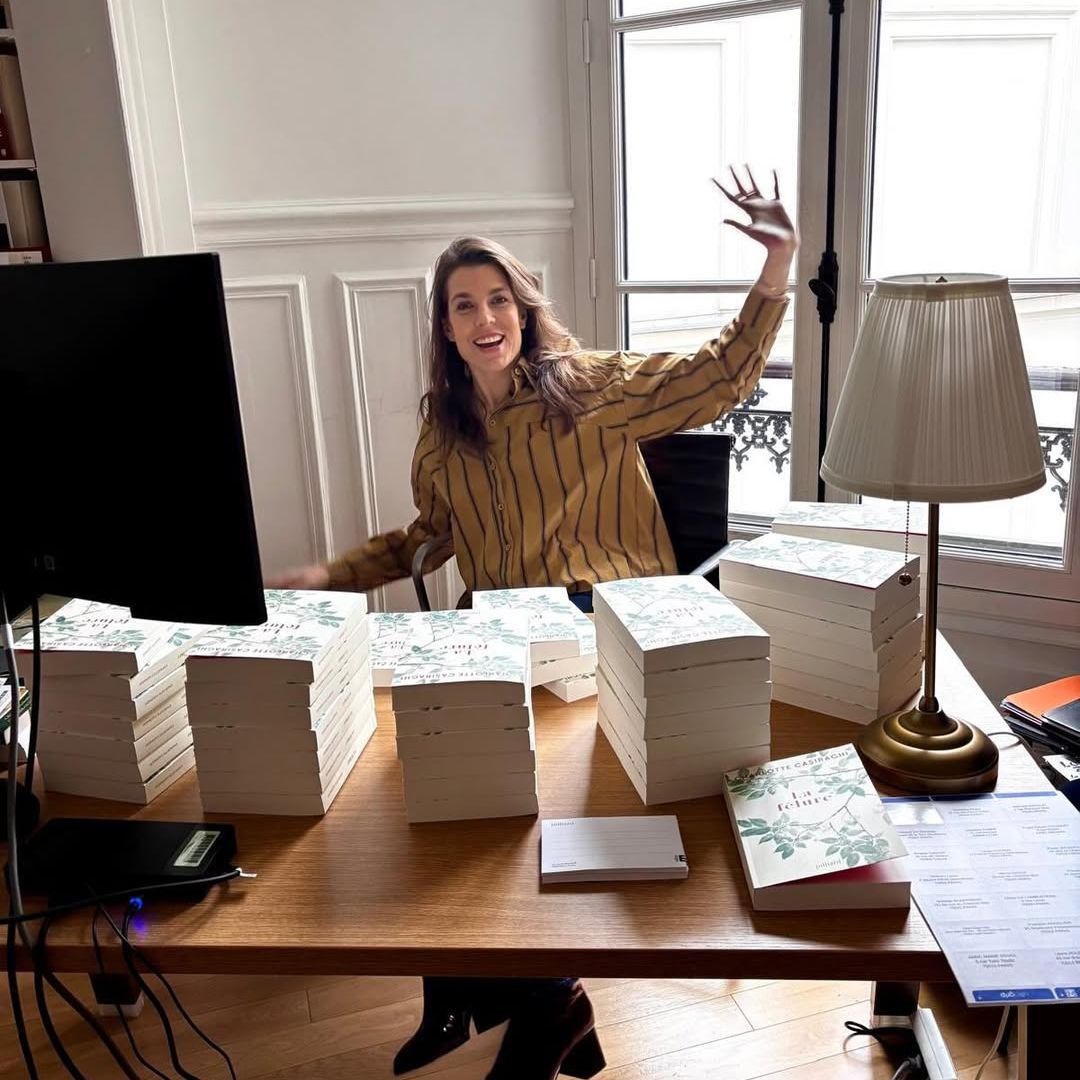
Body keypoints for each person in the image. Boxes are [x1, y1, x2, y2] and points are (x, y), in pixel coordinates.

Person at [271, 166, 797, 1080]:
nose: (486, 319)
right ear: (445, 325)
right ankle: (471, 996)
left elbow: (720, 375)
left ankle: (547, 1001)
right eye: (465, 304)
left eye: (500, 299)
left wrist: (778, 265)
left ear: (523, 308)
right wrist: (328, 575)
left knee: (516, 800)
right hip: (499, 636)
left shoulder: (589, 385)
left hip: (604, 628)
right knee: (429, 782)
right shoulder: (441, 435)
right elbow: (428, 539)